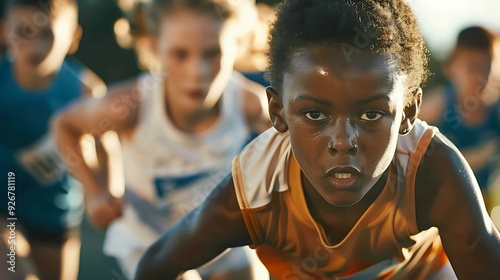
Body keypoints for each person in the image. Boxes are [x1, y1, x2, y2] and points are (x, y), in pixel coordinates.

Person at [135, 0, 500, 279]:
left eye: (371, 114)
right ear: (278, 112)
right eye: (315, 115)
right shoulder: (256, 188)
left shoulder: (431, 171)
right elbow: (155, 266)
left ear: (408, 112)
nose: (342, 142)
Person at [52, 0, 270, 279]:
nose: (198, 71)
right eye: (180, 54)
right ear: (154, 46)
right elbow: (66, 125)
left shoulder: (249, 103)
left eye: (212, 53)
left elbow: (290, 135)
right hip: (148, 240)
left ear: (236, 44)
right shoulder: (132, 106)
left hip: (214, 236)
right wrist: (96, 192)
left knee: (251, 272)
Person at [0, 0, 105, 279]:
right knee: (13, 272)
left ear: (73, 38)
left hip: (56, 209)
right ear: (3, 31)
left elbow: (107, 146)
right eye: (23, 32)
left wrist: (105, 193)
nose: (35, 46)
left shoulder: (86, 91)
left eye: (47, 34)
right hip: (5, 203)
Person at [420, 26, 500, 210]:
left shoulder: (496, 110)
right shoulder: (435, 107)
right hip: (440, 203)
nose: (480, 77)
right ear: (451, 68)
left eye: (488, 67)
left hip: (483, 202)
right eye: (472, 67)